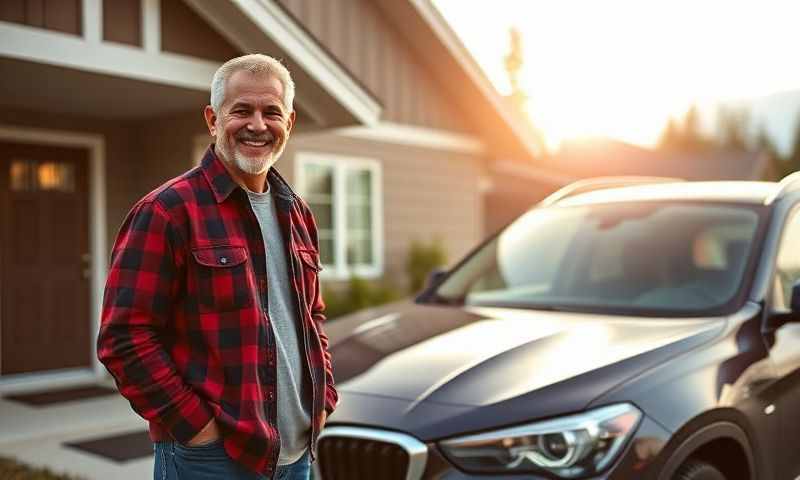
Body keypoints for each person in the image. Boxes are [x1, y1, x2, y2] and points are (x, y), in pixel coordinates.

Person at [97, 54, 337, 480]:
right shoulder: (168, 211)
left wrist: (323, 400)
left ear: (290, 123)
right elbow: (125, 336)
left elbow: (311, 315)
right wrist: (196, 428)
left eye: (272, 113)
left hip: (296, 455)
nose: (258, 125)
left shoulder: (297, 212)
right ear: (213, 118)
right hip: (212, 460)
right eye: (241, 110)